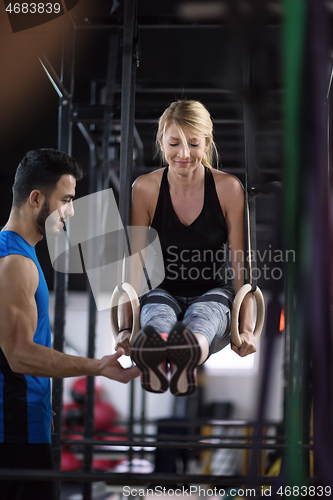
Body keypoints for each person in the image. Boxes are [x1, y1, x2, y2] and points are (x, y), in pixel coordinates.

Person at [0, 149, 140, 500]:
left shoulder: (18, 254)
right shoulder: (15, 263)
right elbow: (19, 355)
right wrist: (97, 367)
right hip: (17, 431)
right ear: (36, 199)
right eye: (66, 199)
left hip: (21, 427)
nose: (71, 211)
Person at [115, 100, 256, 397]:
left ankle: (186, 354)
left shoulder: (229, 188)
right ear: (161, 142)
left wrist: (246, 328)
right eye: (174, 143)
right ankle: (157, 353)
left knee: (204, 315)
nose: (183, 154)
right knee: (155, 316)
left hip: (213, 291)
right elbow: (134, 264)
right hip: (162, 289)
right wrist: (126, 328)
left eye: (193, 143)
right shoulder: (145, 188)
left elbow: (240, 264)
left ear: (207, 143)